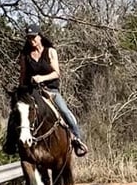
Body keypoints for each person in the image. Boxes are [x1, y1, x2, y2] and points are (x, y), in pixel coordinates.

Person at [19, 23, 89, 157]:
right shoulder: (25, 55)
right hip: (32, 91)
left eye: (34, 37)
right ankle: (12, 142)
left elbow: (56, 73)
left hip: (51, 91)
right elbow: (22, 75)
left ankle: (77, 138)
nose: (32, 40)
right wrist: (21, 91)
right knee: (18, 113)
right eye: (29, 38)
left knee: (64, 111)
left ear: (40, 36)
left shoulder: (50, 51)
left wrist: (41, 78)